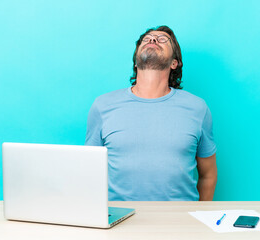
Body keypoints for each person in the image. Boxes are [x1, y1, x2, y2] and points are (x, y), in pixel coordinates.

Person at [85, 26, 217, 201]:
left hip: (180, 222)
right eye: (147, 39)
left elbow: (208, 175)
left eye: (162, 39)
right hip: (119, 221)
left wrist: (199, 219)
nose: (153, 40)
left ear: (174, 63)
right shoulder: (102, 106)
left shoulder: (197, 108)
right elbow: (89, 173)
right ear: (135, 61)